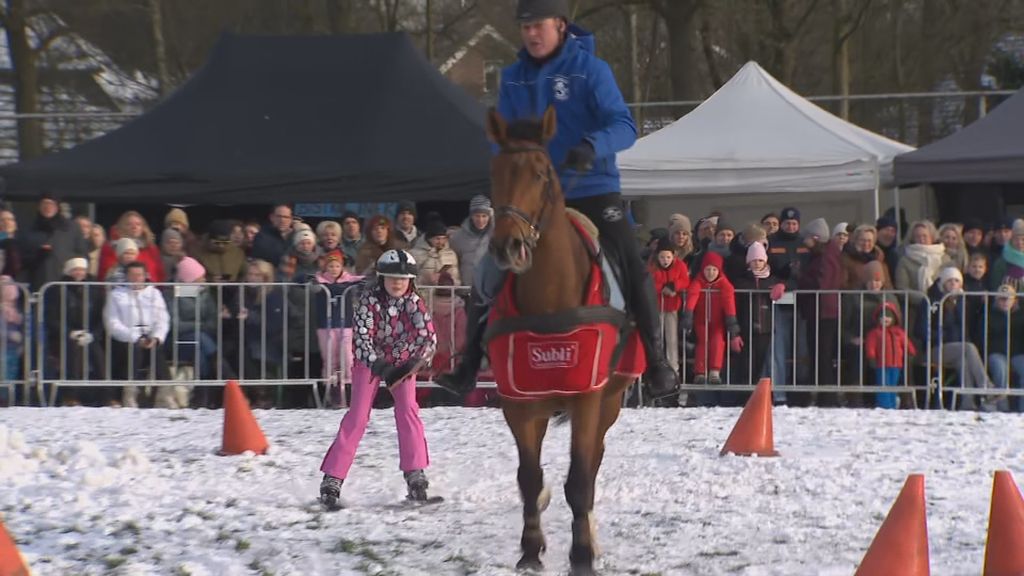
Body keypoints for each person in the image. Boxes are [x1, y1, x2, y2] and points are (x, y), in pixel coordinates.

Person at [437, 0, 679, 396]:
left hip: (591, 188)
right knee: (487, 271)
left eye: (539, 25)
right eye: (525, 26)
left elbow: (625, 126)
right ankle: (467, 364)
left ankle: (658, 362)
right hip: (532, 200)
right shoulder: (513, 78)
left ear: (561, 25)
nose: (531, 33)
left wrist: (591, 145)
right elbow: (505, 143)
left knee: (632, 264)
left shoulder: (591, 71)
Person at [319, 250, 437, 509]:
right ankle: (333, 478)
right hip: (370, 362)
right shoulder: (368, 301)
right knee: (358, 415)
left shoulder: (414, 303)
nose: (398, 283)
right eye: (392, 278)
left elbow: (428, 338)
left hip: (402, 363)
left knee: (408, 411)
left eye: (403, 279)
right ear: (381, 278)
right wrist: (381, 367)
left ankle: (415, 472)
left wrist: (410, 363)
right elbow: (361, 339)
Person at [104, 261, 171, 408]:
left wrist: (157, 337)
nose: (136, 278)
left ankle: (164, 393)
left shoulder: (154, 293)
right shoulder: (116, 295)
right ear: (126, 276)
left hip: (149, 335)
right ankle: (130, 392)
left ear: (145, 275)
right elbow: (112, 323)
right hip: (125, 338)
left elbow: (163, 319)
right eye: (132, 275)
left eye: (139, 275)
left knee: (157, 350)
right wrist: (134, 337)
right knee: (133, 350)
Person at [681, 251, 740, 386]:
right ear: (703, 270)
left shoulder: (724, 284)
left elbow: (729, 302)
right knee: (702, 343)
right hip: (701, 320)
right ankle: (700, 372)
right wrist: (688, 314)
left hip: (718, 321)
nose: (711, 273)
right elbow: (692, 296)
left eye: (714, 269)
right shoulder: (698, 282)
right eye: (708, 269)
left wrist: (732, 321)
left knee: (718, 342)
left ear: (719, 270)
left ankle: (715, 370)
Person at [313, 250, 364, 403]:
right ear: (326, 267)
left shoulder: (348, 280)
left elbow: (364, 280)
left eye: (337, 266)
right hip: (326, 326)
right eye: (331, 266)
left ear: (341, 267)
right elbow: (304, 281)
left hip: (345, 325)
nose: (334, 269)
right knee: (329, 357)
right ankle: (332, 387)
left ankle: (348, 385)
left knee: (347, 356)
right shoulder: (320, 280)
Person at [20, 194, 90, 290]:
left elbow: (82, 254)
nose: (48, 207)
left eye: (51, 204)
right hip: (39, 282)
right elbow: (24, 259)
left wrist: (75, 269)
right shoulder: (31, 229)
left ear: (57, 207)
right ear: (39, 207)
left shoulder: (71, 228)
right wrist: (39, 255)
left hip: (66, 283)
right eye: (44, 204)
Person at [649, 237, 690, 386]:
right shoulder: (652, 267)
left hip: (672, 307)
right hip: (657, 307)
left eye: (668, 257)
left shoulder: (680, 266)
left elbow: (685, 281)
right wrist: (663, 288)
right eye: (662, 257)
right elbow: (650, 282)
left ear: (673, 256)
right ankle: (656, 367)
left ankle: (674, 368)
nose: (665, 260)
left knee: (671, 339)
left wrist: (674, 286)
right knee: (657, 337)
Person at [864, 301, 917, 410]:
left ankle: (892, 404)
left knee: (893, 385)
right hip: (881, 364)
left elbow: (906, 343)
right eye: (882, 316)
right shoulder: (875, 333)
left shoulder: (899, 332)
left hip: (897, 364)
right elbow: (870, 346)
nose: (885, 319)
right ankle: (884, 405)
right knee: (883, 385)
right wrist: (871, 357)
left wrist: (911, 352)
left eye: (888, 316)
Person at [986, 285, 1024, 412]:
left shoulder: (1021, 316)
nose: (1005, 301)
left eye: (1008, 298)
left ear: (1015, 300)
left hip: (1017, 353)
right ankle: (1003, 407)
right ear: (996, 300)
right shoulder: (988, 315)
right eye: (1002, 299)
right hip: (997, 353)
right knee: (1000, 368)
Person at [98, 211, 165, 283]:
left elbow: (159, 273)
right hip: (120, 290)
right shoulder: (111, 247)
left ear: (143, 227)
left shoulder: (151, 248)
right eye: (129, 224)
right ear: (121, 227)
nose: (134, 227)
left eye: (138, 224)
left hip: (149, 291)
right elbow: (105, 273)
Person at [448, 195, 493, 288]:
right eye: (477, 216)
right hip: (468, 289)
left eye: (484, 216)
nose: (480, 220)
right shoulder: (458, 237)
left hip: (491, 289)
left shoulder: (496, 234)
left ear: (489, 216)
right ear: (471, 216)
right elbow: (454, 262)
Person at [411, 220, 460, 287]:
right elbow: (410, 279)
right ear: (429, 238)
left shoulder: (451, 254)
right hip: (423, 293)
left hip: (447, 294)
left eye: (443, 238)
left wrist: (449, 282)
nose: (441, 242)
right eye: (437, 239)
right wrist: (425, 280)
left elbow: (457, 278)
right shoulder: (414, 254)